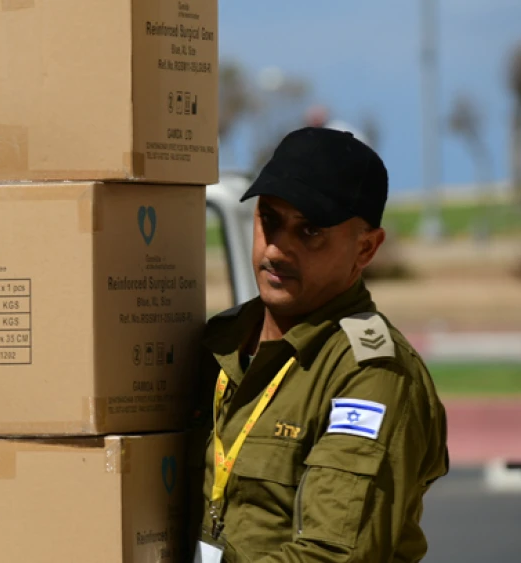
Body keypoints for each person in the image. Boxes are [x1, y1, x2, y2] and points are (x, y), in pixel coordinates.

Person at [185, 127, 449, 563]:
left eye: (309, 231)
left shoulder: (370, 374)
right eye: (268, 218)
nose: (276, 248)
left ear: (365, 249)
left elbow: (331, 555)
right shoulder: (220, 342)